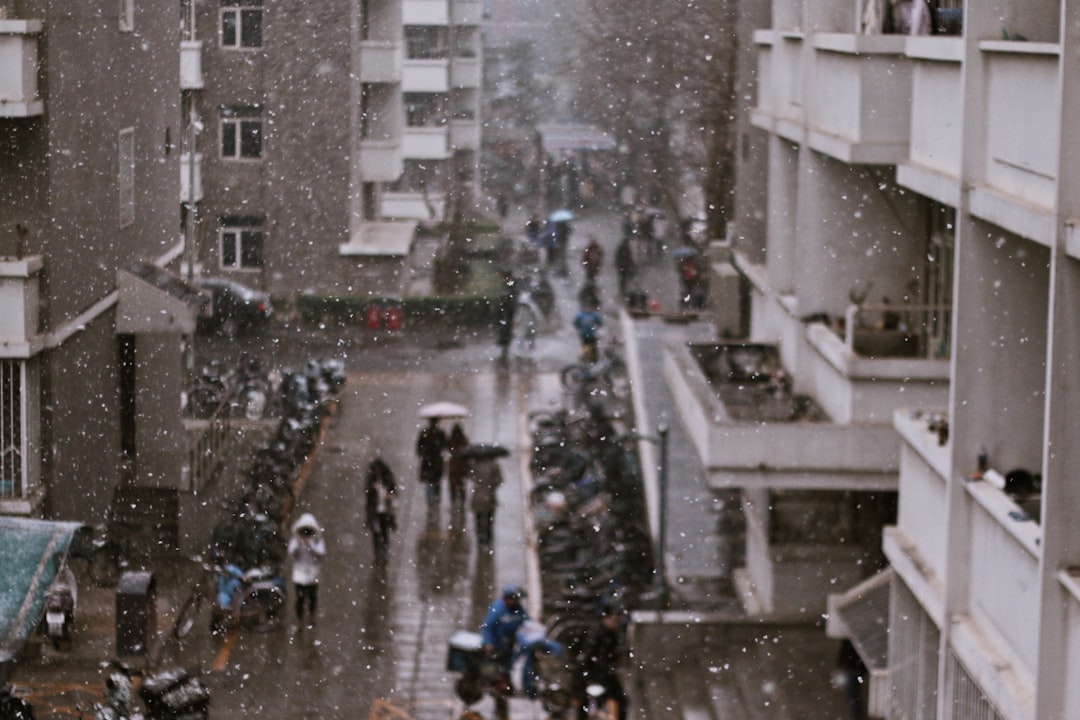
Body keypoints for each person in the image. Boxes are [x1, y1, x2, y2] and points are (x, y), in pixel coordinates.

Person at [480, 584, 530, 720]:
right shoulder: (497, 609)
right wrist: (489, 643)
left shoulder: (518, 610)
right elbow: (487, 627)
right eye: (511, 599)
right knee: (493, 668)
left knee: (507, 666)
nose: (514, 602)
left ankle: (505, 685)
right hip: (496, 645)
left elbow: (526, 622)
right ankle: (495, 688)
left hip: (509, 645)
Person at [574, 607, 628, 720]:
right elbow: (589, 658)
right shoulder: (598, 635)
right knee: (589, 705)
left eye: (616, 621)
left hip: (602, 676)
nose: (614, 623)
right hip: (595, 676)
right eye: (612, 620)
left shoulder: (611, 635)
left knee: (620, 701)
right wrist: (590, 678)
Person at [288, 513, 326, 628]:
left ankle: (311, 616)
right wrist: (299, 544)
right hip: (299, 573)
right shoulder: (296, 539)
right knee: (299, 598)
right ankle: (299, 619)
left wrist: (311, 546)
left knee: (312, 597)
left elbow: (321, 553)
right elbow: (291, 552)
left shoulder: (317, 540)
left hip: (312, 573)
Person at [364, 458, 397, 561]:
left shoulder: (387, 478)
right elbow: (367, 492)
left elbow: (393, 490)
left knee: (384, 532)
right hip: (375, 510)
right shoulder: (371, 479)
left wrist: (389, 495)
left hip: (384, 510)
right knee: (375, 532)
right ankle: (377, 552)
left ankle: (384, 551)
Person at [468, 455, 504, 550]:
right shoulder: (494, 465)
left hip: (477, 497)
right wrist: (492, 483)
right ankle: (488, 541)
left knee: (478, 520)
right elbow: (499, 480)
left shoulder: (475, 465)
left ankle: (480, 541)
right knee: (489, 521)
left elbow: (471, 476)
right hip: (489, 497)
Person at [416, 417, 447, 523]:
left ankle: (432, 506)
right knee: (434, 485)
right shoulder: (439, 434)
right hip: (434, 465)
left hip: (430, 465)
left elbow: (418, 449)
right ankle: (433, 506)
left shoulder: (426, 433)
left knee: (431, 485)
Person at [446, 423, 470, 510]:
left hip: (454, 466)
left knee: (453, 486)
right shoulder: (463, 440)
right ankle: (462, 503)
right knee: (461, 486)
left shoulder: (451, 440)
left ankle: (453, 502)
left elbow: (448, 448)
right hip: (461, 467)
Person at [495, 275, 517, 361]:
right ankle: (504, 347)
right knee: (504, 332)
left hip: (506, 320)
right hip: (505, 320)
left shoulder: (509, 296)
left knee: (505, 332)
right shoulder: (507, 298)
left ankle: (505, 348)